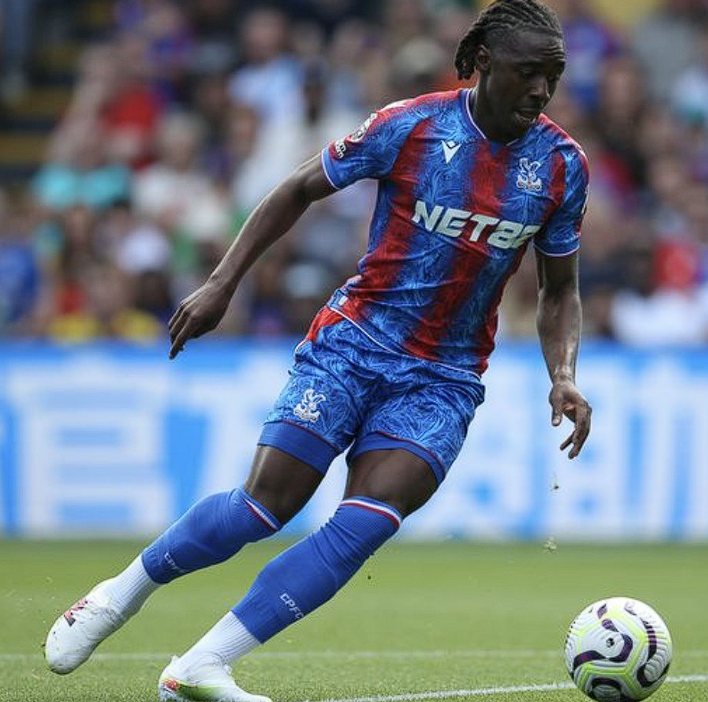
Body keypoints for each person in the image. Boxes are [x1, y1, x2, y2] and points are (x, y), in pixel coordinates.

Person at [44, 1, 592, 700]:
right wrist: (222, 283)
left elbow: (558, 290)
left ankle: (201, 666)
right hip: (354, 344)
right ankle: (117, 596)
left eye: (553, 77)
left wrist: (563, 373)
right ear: (483, 63)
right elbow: (299, 186)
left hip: (445, 378)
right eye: (528, 72)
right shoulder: (412, 125)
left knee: (366, 521)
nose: (542, 91)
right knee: (262, 507)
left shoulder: (562, 166)